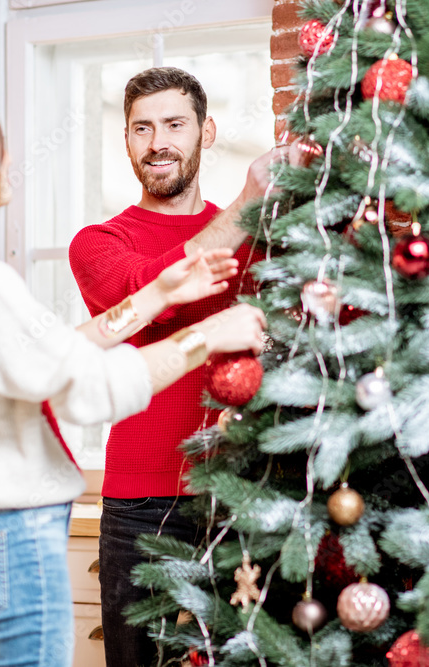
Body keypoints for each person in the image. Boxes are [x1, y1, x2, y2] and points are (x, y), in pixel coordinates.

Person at [0, 82, 266, 667]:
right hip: (8, 547)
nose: (9, 155)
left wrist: (154, 297)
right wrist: (207, 336)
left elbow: (50, 355)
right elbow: (90, 388)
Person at [67, 67, 283, 666]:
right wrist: (247, 200)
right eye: (141, 128)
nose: (157, 141)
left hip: (239, 494)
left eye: (174, 124)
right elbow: (144, 292)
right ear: (128, 142)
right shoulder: (99, 242)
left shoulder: (254, 239)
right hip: (142, 505)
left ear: (205, 132)